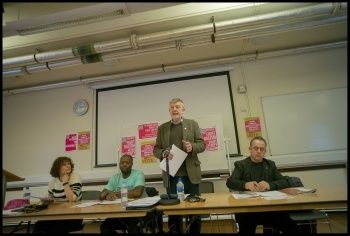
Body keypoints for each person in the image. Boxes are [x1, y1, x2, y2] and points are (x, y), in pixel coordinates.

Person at [226, 136, 303, 234]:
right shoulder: (241, 165)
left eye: (262, 149)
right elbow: (230, 182)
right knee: (246, 229)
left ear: (265, 151)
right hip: (248, 210)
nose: (258, 151)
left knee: (291, 227)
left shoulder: (270, 164)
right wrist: (245, 184)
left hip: (270, 208)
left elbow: (284, 181)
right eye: (255, 148)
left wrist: (270, 185)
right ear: (250, 149)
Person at [153, 98, 206, 234]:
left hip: (191, 175)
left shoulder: (192, 124)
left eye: (178, 106)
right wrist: (164, 153)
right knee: (173, 212)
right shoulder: (162, 128)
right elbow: (156, 149)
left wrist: (191, 146)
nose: (175, 109)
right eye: (172, 107)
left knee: (195, 211)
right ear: (169, 111)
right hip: (171, 176)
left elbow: (202, 145)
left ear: (183, 110)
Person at [99, 154, 150, 234]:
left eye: (127, 162)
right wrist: (106, 195)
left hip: (139, 212)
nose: (124, 164)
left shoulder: (138, 174)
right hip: (121, 212)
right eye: (122, 162)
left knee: (134, 227)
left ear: (132, 164)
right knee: (105, 227)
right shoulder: (115, 178)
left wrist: (114, 193)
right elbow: (101, 195)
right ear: (119, 164)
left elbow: (137, 193)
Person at [32, 156, 83, 234]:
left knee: (56, 227)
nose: (68, 166)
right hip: (57, 214)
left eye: (69, 163)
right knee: (39, 225)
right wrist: (46, 200)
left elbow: (71, 199)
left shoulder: (75, 176)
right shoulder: (53, 181)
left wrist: (65, 182)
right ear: (57, 168)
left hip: (73, 215)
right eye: (64, 164)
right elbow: (51, 197)